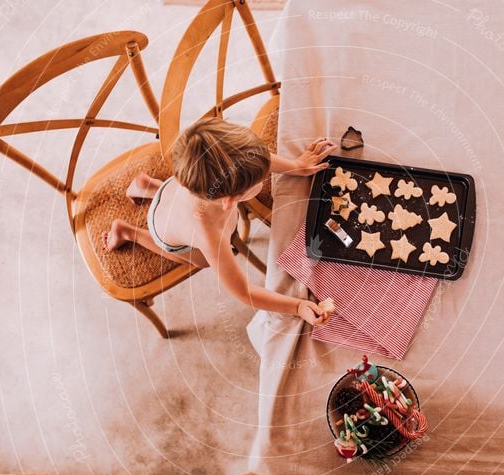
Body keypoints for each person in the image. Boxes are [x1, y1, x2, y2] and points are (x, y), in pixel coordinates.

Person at [103, 117, 337, 326]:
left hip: (172, 190)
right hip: (165, 232)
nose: (266, 176)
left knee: (171, 196)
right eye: (259, 181)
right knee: (200, 261)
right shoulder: (209, 235)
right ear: (229, 202)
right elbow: (244, 291)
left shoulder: (207, 168)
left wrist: (297, 166)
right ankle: (127, 232)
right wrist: (296, 306)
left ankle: (146, 186)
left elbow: (258, 158)